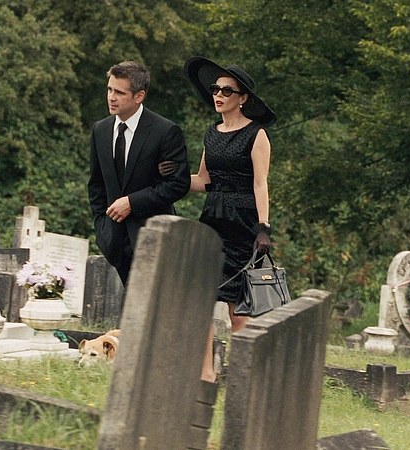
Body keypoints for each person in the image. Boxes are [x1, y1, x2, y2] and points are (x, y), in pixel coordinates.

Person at [182, 56, 276, 382]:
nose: (218, 95)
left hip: (243, 224)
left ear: (243, 98)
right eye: (215, 89)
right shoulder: (212, 133)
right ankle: (206, 373)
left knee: (238, 309)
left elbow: (261, 183)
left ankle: (240, 378)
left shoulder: (256, 134)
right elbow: (203, 180)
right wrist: (170, 178)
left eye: (226, 91)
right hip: (212, 221)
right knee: (202, 298)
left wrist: (263, 228)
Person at [88, 61, 190, 287]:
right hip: (115, 241)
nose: (111, 97)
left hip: (154, 239)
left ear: (139, 96)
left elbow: (177, 184)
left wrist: (132, 203)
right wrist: (102, 229)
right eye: (109, 89)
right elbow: (96, 185)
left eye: (119, 92)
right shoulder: (100, 130)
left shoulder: (166, 131)